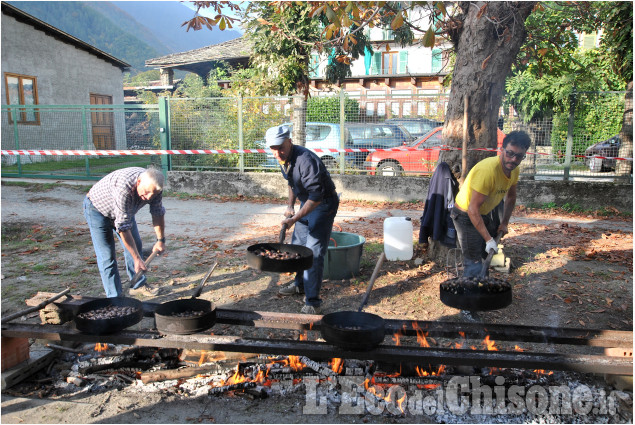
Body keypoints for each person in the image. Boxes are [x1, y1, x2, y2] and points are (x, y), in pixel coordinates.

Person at [266, 125, 339, 315]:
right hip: (306, 203)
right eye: (273, 149)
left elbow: (316, 197)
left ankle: (313, 302)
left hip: (322, 204)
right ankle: (299, 285)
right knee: (298, 247)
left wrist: (295, 218)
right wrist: (290, 206)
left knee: (313, 253)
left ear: (289, 142)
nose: (277, 152)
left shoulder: (305, 161)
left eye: (280, 147)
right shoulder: (284, 158)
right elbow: (291, 183)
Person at [451, 130, 531, 278]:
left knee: (485, 251)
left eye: (519, 156)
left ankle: (482, 284)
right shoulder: (488, 171)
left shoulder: (514, 170)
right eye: (510, 153)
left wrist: (504, 223)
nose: (513, 159)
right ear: (502, 150)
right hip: (465, 215)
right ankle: (471, 293)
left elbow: (511, 197)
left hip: (482, 213)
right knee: (473, 260)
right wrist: (488, 240)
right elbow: (472, 209)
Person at [83, 167, 167, 298]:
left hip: (125, 211)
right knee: (107, 256)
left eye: (153, 194)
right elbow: (122, 227)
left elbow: (158, 213)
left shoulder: (155, 188)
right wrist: (137, 258)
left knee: (136, 246)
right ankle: (115, 298)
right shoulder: (124, 189)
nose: (149, 197)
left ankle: (138, 285)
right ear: (138, 183)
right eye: (146, 192)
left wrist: (160, 240)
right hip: (97, 210)